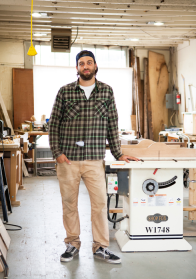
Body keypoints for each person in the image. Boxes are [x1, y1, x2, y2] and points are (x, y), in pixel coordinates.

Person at [49, 50, 139, 264]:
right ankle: (72, 243)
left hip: (94, 159)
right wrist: (57, 153)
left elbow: (112, 125)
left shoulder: (107, 92)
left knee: (99, 204)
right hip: (68, 160)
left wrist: (118, 153)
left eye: (89, 62)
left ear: (96, 66)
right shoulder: (65, 92)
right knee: (69, 204)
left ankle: (101, 247)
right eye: (81, 63)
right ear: (77, 68)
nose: (86, 66)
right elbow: (53, 124)